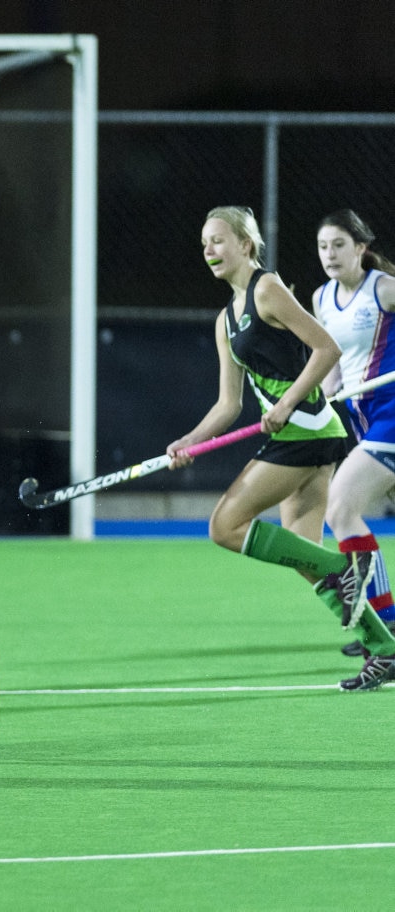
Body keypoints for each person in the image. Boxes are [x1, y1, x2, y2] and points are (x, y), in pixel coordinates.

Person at [166, 205, 393, 690]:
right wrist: (188, 442)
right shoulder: (224, 322)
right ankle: (385, 646)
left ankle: (348, 567)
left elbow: (326, 347)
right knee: (304, 556)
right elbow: (228, 404)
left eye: (219, 240)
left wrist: (288, 402)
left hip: (307, 427)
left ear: (246, 245)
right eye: (204, 242)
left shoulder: (267, 289)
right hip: (308, 432)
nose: (209, 250)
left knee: (225, 526)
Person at [312, 208, 395, 688]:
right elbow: (333, 370)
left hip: (392, 415)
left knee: (341, 507)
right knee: (345, 510)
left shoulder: (383, 289)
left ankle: (387, 632)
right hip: (363, 420)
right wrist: (313, 407)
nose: (330, 255)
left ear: (360, 248)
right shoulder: (322, 298)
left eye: (339, 245)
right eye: (323, 247)